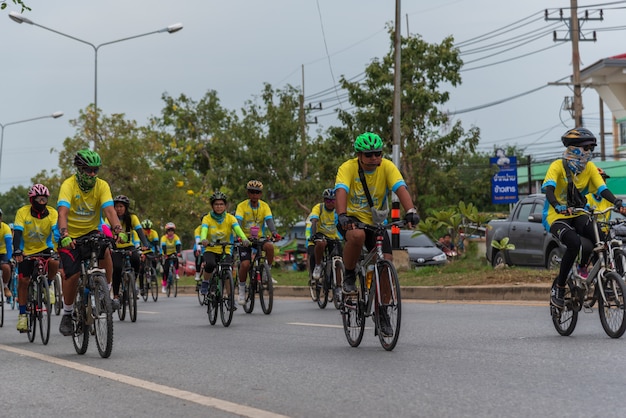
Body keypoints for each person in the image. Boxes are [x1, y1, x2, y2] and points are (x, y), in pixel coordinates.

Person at [334, 132, 419, 337]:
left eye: (377, 154)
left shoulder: (387, 167)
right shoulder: (347, 168)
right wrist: (342, 215)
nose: (374, 159)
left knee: (386, 262)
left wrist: (411, 211)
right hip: (351, 220)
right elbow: (341, 191)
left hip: (375, 223)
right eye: (369, 155)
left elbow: (401, 188)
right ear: (359, 155)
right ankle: (349, 274)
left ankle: (382, 313)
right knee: (357, 236)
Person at [541, 128, 626, 308]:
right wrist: (557, 205)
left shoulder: (590, 168)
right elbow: (549, 190)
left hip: (579, 213)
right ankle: (560, 287)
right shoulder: (557, 166)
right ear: (573, 148)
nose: (588, 153)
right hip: (556, 217)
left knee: (600, 239)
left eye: (591, 149)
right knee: (573, 243)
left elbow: (602, 189)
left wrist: (618, 203)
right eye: (585, 148)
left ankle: (594, 274)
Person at [57, 149, 125, 336]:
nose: (93, 174)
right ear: (79, 169)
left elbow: (110, 211)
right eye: (88, 170)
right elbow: (62, 212)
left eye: (95, 170)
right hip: (70, 236)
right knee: (73, 274)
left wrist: (117, 229)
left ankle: (106, 295)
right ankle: (68, 313)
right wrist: (64, 234)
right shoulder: (68, 185)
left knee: (107, 251)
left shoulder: (102, 185)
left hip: (92, 231)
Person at [12, 184, 60, 332]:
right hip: (26, 251)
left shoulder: (52, 213)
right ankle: (22, 315)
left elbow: (56, 232)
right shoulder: (22, 212)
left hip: (45, 247)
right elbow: (18, 234)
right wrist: (18, 251)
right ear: (32, 200)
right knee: (24, 281)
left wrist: (60, 247)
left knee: (54, 261)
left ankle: (49, 285)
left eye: (44, 198)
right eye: (39, 199)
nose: (42, 202)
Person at [235, 180, 281, 305]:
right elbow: (237, 223)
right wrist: (240, 237)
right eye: (252, 192)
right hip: (244, 239)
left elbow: (269, 221)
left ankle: (266, 272)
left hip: (259, 238)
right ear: (248, 193)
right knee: (245, 265)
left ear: (260, 194)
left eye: (257, 192)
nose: (254, 195)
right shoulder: (242, 206)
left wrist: (274, 233)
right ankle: (242, 290)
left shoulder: (264, 206)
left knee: (270, 247)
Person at [199, 192, 249, 305]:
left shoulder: (231, 218)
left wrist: (244, 239)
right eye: (216, 204)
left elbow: (238, 229)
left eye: (221, 204)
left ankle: (230, 298)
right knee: (210, 264)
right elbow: (204, 230)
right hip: (210, 249)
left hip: (225, 249)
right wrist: (203, 239)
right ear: (212, 206)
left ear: (225, 206)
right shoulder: (207, 218)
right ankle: (206, 282)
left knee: (227, 271)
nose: (219, 206)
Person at [109, 195, 151, 307]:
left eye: (121, 206)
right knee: (117, 268)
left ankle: (132, 282)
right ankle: (116, 295)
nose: (118, 209)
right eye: (116, 206)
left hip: (129, 246)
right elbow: (106, 231)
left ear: (126, 207)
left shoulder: (132, 218)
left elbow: (139, 231)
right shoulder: (110, 217)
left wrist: (145, 244)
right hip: (116, 247)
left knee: (136, 259)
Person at [308, 188, 343, 288]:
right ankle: (318, 266)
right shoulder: (319, 208)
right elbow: (314, 220)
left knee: (339, 258)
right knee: (321, 243)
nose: (330, 203)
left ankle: (339, 285)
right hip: (320, 235)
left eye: (333, 200)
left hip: (333, 237)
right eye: (328, 200)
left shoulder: (338, 209)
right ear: (324, 200)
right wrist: (314, 235)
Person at [160, 222, 181, 293]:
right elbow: (163, 246)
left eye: (172, 230)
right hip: (166, 253)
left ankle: (177, 273)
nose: (170, 232)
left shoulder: (176, 237)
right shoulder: (163, 238)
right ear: (167, 231)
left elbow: (178, 244)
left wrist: (178, 252)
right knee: (165, 270)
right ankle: (164, 285)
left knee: (176, 260)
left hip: (173, 253)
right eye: (169, 231)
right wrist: (165, 254)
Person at [0, 208, 13, 300]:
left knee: (6, 267)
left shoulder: (5, 228)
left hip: (2, 253)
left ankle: (5, 286)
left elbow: (9, 245)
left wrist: (9, 259)